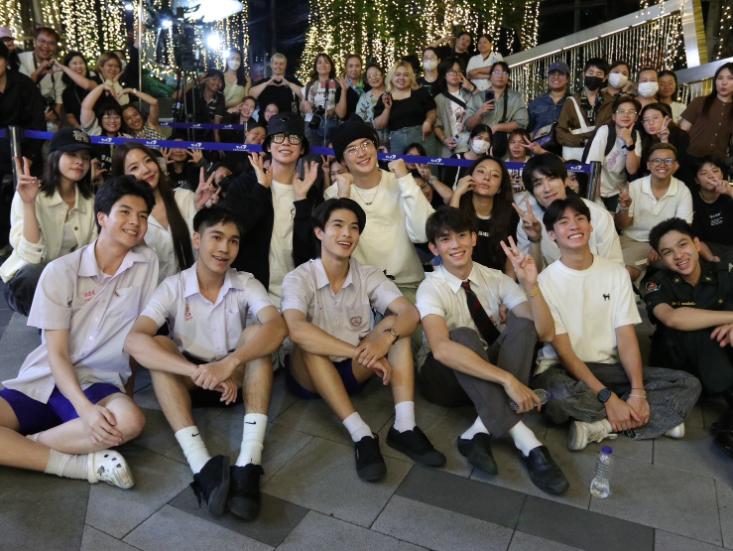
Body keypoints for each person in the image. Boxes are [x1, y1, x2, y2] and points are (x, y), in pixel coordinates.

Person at [125, 206, 286, 518]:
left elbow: (278, 327)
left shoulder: (246, 283)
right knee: (159, 345)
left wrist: (230, 364)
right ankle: (201, 467)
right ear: (197, 240)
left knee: (258, 335)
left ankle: (250, 462)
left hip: (235, 378)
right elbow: (134, 339)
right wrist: (196, 370)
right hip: (189, 380)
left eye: (233, 241)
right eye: (217, 237)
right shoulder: (173, 286)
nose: (225, 248)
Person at [0, 175, 158, 489]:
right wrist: (85, 411)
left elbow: (136, 336)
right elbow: (57, 353)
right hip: (46, 378)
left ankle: (26, 448)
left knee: (130, 421)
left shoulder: (147, 263)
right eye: (125, 212)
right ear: (102, 217)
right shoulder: (61, 271)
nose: (135, 222)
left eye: (142, 216)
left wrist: (125, 393)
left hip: (98, 381)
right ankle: (80, 465)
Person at [282, 198, 445, 480]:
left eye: (354, 227)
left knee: (397, 327)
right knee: (309, 341)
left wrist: (386, 339)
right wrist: (358, 351)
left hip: (353, 370)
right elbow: (295, 329)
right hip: (308, 376)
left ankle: (404, 426)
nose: (347, 233)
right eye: (338, 225)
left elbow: (409, 312)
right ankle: (362, 435)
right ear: (319, 232)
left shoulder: (367, 274)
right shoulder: (300, 277)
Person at [416, 206, 569, 495]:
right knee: (461, 335)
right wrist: (508, 380)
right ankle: (528, 442)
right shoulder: (430, 287)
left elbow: (545, 333)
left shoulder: (495, 278)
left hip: (484, 372)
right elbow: (441, 349)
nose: (456, 245)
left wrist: (531, 285)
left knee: (524, 324)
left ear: (474, 238)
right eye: (445, 239)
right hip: (444, 380)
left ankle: (477, 431)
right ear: (434, 248)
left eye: (462, 235)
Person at [532, 196, 701, 451]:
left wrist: (638, 392)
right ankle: (649, 418)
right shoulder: (545, 282)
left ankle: (603, 425)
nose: (574, 226)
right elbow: (564, 353)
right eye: (564, 222)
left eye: (580, 219)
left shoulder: (616, 274)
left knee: (688, 384)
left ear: (590, 226)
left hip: (607, 368)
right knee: (558, 397)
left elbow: (627, 338)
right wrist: (608, 397)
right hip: (561, 369)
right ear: (552, 234)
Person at [644, 218, 733, 456]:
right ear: (661, 258)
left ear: (696, 244)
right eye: (667, 252)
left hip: (719, 360)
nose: (678, 255)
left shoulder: (723, 272)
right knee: (696, 329)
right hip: (678, 364)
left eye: (683, 245)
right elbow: (672, 317)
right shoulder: (655, 282)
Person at [326, 120, 435, 301]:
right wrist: (344, 198)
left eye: (366, 144)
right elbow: (337, 250)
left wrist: (405, 180)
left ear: (375, 147)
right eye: (352, 149)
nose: (362, 153)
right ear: (343, 160)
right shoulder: (335, 194)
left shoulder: (400, 181)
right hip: (360, 290)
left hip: (407, 285)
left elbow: (423, 233)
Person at [222, 113, 321, 307]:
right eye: (278, 137)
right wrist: (260, 189)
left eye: (293, 138)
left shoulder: (310, 192)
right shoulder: (246, 184)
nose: (286, 143)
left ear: (302, 148)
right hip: (250, 295)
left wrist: (302, 202)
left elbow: (314, 250)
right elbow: (232, 230)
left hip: (297, 296)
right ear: (268, 146)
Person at [1, 128, 97, 316]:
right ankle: (51, 324)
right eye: (72, 154)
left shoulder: (91, 201)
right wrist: (29, 204)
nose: (80, 161)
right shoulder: (30, 193)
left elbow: (91, 252)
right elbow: (30, 258)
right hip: (29, 281)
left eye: (85, 157)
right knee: (35, 274)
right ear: (55, 156)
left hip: (68, 279)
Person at [112, 143, 217, 281]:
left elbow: (209, 248)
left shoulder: (185, 198)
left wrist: (202, 210)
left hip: (194, 287)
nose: (146, 169)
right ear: (123, 177)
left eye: (148, 160)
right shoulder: (123, 218)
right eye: (134, 168)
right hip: (152, 292)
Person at [515, 153, 622, 271]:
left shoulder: (598, 215)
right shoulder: (528, 223)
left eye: (552, 179)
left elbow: (615, 267)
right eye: (538, 183)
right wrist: (535, 240)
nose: (547, 188)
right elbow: (530, 273)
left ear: (565, 180)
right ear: (532, 191)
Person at [616, 143, 693, 281]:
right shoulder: (634, 187)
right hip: (632, 240)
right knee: (620, 272)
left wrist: (660, 245)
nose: (662, 164)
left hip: (666, 244)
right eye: (656, 160)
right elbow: (622, 225)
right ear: (648, 165)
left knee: (688, 266)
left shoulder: (682, 190)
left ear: (675, 166)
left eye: (668, 160)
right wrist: (624, 207)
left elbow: (683, 228)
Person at [0, 41, 45, 253]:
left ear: (5, 60)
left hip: (26, 154)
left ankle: (26, 246)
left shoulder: (24, 84)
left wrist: (30, 156)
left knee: (26, 203)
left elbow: (37, 122)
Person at [450, 157, 518, 274]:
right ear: (469, 178)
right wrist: (457, 193)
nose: (486, 177)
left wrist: (509, 282)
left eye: (495, 175)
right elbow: (450, 237)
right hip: (461, 278)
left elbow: (511, 256)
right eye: (481, 171)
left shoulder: (510, 214)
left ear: (500, 188)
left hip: (497, 280)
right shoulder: (456, 207)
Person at [584, 95, 642, 212]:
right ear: (614, 117)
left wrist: (629, 141)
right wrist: (597, 200)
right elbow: (594, 168)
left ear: (636, 117)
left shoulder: (636, 135)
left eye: (631, 112)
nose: (626, 115)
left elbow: (632, 170)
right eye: (621, 111)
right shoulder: (604, 131)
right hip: (598, 190)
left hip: (619, 191)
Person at [465, 61, 529, 158]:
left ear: (508, 77)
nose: (500, 76)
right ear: (490, 76)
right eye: (497, 72)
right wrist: (479, 113)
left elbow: (522, 123)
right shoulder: (478, 97)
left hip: (505, 149)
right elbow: (468, 125)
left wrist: (497, 127)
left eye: (505, 73)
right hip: (478, 149)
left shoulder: (516, 98)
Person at [373, 60, 436, 155]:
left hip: (423, 139)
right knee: (399, 165)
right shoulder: (385, 97)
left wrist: (428, 121)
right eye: (397, 74)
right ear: (391, 77)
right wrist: (387, 109)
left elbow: (432, 111)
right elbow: (378, 125)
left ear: (411, 77)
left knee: (427, 165)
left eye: (406, 75)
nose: (401, 78)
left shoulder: (420, 92)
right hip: (397, 142)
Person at [555, 58, 613, 161]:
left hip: (602, 155)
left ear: (604, 78)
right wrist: (583, 141)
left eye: (599, 73)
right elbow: (560, 132)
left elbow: (612, 130)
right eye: (591, 72)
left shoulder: (610, 102)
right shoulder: (571, 101)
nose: (594, 76)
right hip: (575, 156)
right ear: (583, 74)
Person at [679, 63, 733, 164]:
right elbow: (682, 131)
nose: (724, 82)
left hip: (717, 164)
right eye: (720, 78)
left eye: (730, 78)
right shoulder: (699, 101)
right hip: (690, 159)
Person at [18, 27, 65, 129]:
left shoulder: (57, 66)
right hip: (25, 112)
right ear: (35, 42)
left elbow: (59, 96)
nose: (46, 46)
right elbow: (23, 89)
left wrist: (56, 116)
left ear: (56, 47)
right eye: (42, 41)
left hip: (48, 112)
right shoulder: (21, 59)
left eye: (51, 43)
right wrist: (40, 69)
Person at [433, 57, 479, 158]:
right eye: (451, 71)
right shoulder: (439, 99)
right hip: (452, 149)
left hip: (473, 147)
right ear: (444, 75)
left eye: (458, 71)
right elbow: (436, 125)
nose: (455, 74)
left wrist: (471, 88)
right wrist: (444, 139)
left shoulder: (469, 93)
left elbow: (485, 106)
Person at [690, 157, 733, 258]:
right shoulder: (690, 200)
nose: (711, 176)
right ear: (697, 180)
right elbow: (694, 238)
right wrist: (711, 259)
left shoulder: (729, 193)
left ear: (722, 175)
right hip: (708, 250)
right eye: (704, 173)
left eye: (715, 171)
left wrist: (730, 191)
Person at [637, 103, 689, 179]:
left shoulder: (680, 136)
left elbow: (672, 168)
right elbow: (641, 169)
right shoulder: (641, 137)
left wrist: (664, 140)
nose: (650, 123)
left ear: (666, 119)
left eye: (655, 118)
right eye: (646, 120)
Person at [177, 69, 226, 146]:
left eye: (220, 81)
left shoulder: (220, 97)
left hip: (206, 137)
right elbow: (175, 96)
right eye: (214, 79)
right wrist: (196, 81)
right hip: (187, 134)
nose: (217, 83)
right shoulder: (194, 93)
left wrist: (218, 146)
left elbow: (216, 125)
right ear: (205, 80)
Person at [301, 53, 340, 146]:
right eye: (319, 62)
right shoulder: (310, 85)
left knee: (331, 153)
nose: (323, 65)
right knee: (312, 153)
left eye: (326, 62)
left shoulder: (337, 84)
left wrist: (332, 110)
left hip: (331, 123)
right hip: (312, 123)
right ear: (315, 67)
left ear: (331, 66)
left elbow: (342, 104)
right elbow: (302, 108)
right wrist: (306, 106)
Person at [441, 124, 492, 189]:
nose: (483, 142)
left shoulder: (489, 163)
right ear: (471, 139)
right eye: (479, 138)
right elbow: (446, 186)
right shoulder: (456, 158)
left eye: (487, 140)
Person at [527, 62, 570, 139]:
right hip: (539, 145)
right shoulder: (536, 103)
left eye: (560, 74)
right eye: (552, 74)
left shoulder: (573, 102)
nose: (556, 77)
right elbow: (527, 131)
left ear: (567, 79)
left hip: (566, 145)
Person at [59, 51, 96, 128]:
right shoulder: (66, 92)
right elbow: (70, 116)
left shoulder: (94, 80)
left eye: (81, 63)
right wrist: (81, 129)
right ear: (68, 68)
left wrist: (63, 67)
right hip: (82, 129)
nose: (79, 66)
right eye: (75, 63)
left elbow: (87, 85)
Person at [354, 63, 388, 145]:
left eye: (376, 74)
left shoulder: (392, 92)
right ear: (367, 80)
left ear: (382, 75)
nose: (374, 78)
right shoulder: (364, 98)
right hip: (371, 140)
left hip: (394, 139)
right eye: (369, 76)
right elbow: (359, 120)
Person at [334, 53, 364, 119]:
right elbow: (341, 115)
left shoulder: (368, 87)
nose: (354, 69)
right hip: (347, 124)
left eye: (357, 66)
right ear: (346, 69)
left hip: (367, 124)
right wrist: (344, 91)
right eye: (350, 66)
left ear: (361, 68)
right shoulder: (340, 89)